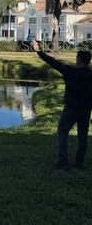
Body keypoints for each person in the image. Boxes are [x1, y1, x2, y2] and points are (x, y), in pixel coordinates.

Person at [32, 40, 92, 170]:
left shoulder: (70, 71)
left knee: (63, 131)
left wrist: (39, 51)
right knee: (83, 135)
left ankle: (63, 160)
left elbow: (53, 63)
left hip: (71, 108)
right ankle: (79, 162)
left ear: (79, 60)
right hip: (86, 110)